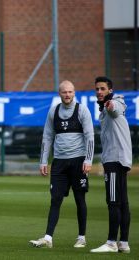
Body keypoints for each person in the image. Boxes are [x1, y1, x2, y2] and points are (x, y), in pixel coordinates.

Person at [29, 80, 94, 249]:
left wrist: (88, 160)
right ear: (60, 94)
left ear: (74, 93)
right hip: (59, 162)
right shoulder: (53, 111)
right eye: (64, 92)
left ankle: (81, 237)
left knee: (80, 199)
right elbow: (47, 137)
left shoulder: (82, 110)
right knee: (55, 199)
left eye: (70, 92)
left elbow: (90, 137)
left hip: (79, 161)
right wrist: (44, 161)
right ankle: (48, 238)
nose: (68, 95)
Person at [90, 76, 132, 254]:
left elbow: (116, 109)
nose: (99, 92)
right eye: (97, 89)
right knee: (123, 203)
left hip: (114, 160)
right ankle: (123, 243)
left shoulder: (115, 103)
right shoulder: (105, 108)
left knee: (113, 202)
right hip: (119, 159)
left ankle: (111, 242)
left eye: (102, 89)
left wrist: (111, 105)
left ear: (110, 91)